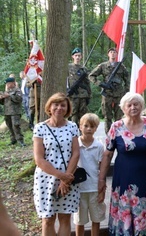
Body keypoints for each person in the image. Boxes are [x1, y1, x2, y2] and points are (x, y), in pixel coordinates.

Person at [97, 92, 146, 236]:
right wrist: (102, 179)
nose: (133, 107)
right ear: (123, 108)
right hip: (124, 179)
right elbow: (107, 154)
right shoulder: (116, 127)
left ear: (142, 106)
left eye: (136, 104)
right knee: (125, 210)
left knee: (144, 210)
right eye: (129, 105)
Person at [32, 92, 80, 236]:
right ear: (49, 107)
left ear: (67, 108)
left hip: (69, 178)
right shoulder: (40, 128)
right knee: (47, 219)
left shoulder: (72, 126)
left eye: (63, 105)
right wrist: (62, 177)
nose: (59, 108)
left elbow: (76, 153)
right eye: (56, 104)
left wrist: (65, 180)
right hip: (46, 180)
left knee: (65, 218)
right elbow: (39, 159)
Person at [73, 113, 106, 236]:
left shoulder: (99, 146)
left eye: (92, 126)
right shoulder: (75, 144)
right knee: (79, 221)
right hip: (79, 189)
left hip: (94, 188)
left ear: (96, 128)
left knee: (96, 219)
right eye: (85, 126)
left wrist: (102, 190)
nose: (88, 129)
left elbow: (102, 168)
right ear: (80, 126)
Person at [89, 48, 130, 134]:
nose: (113, 54)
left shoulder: (121, 66)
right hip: (107, 94)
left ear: (116, 54)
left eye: (114, 52)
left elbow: (127, 80)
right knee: (107, 116)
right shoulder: (103, 66)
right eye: (111, 52)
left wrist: (126, 93)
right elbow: (91, 76)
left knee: (119, 116)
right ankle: (109, 135)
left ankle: (119, 134)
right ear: (108, 54)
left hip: (119, 94)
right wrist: (101, 84)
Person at [67, 47, 92, 126]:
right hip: (73, 95)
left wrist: (89, 94)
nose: (77, 57)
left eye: (79, 55)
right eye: (76, 55)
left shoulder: (84, 69)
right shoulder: (68, 67)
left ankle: (82, 131)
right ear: (73, 56)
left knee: (83, 114)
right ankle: (74, 130)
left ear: (81, 57)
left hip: (83, 95)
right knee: (73, 113)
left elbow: (88, 83)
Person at [0, 77, 25, 147]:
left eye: (9, 83)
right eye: (7, 84)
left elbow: (19, 99)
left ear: (13, 83)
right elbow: (3, 103)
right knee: (10, 126)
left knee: (16, 126)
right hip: (7, 112)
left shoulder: (17, 91)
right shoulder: (6, 91)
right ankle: (13, 140)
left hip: (15, 112)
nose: (8, 85)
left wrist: (10, 96)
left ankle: (20, 140)